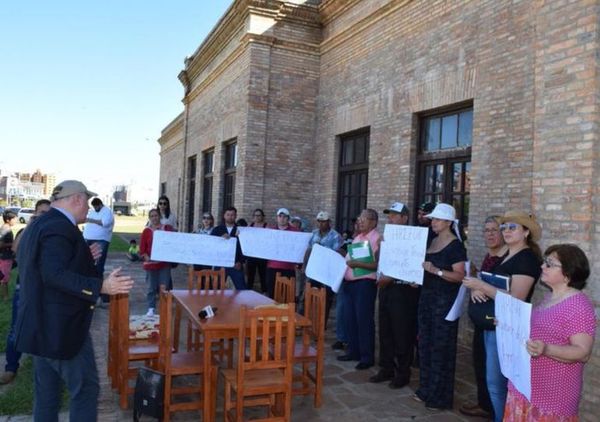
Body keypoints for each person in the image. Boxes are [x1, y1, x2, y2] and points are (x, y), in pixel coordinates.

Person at [14, 180, 134, 421]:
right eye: (87, 203)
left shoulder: (41, 224)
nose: (88, 209)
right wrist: (102, 286)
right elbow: (53, 274)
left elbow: (42, 265)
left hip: (39, 325)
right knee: (86, 390)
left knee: (47, 396)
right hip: (61, 329)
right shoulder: (60, 227)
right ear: (76, 199)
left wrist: (81, 257)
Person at [463, 210, 542, 421]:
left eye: (512, 227)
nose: (506, 231)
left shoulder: (526, 259)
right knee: (495, 384)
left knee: (498, 386)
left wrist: (481, 286)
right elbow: (495, 284)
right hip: (495, 325)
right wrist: (479, 288)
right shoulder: (509, 254)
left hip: (507, 327)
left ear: (526, 232)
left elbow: (516, 298)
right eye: (504, 227)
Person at [504, 244, 596, 421]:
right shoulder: (549, 297)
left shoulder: (578, 305)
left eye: (549, 264)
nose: (542, 267)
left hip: (551, 398)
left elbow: (582, 352)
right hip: (527, 388)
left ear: (568, 272)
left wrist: (546, 349)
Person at [414, 203, 466, 410]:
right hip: (427, 299)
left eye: (437, 219)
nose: (433, 222)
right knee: (425, 345)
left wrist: (436, 271)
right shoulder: (433, 240)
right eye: (433, 219)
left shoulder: (455, 246)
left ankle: (440, 396)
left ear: (448, 223)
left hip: (444, 303)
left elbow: (460, 275)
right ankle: (426, 388)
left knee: (441, 348)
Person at [459, 216, 507, 418]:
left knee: (496, 374)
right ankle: (485, 404)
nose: (490, 234)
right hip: (483, 320)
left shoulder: (507, 258)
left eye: (494, 230)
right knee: (480, 362)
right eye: (486, 230)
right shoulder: (490, 256)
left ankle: (496, 411)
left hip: (498, 322)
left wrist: (481, 287)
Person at [370, 202, 420, 389]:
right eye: (389, 215)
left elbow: (411, 264)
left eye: (394, 215)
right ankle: (386, 367)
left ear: (405, 218)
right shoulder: (386, 237)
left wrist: (390, 277)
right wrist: (382, 247)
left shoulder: (414, 238)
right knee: (385, 330)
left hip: (403, 290)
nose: (390, 218)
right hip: (385, 289)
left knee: (402, 333)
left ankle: (403, 372)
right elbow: (380, 262)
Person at [0, 199, 51, 385]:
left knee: (46, 328)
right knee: (17, 328)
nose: (45, 216)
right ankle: (11, 367)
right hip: (25, 287)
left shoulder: (53, 232)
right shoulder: (26, 231)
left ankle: (43, 368)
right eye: (41, 213)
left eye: (49, 212)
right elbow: (15, 249)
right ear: (35, 213)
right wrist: (30, 225)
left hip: (47, 290)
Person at [337, 208, 381, 370]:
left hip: (364, 284)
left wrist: (357, 264)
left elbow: (377, 265)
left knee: (363, 321)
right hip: (349, 283)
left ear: (374, 222)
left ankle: (366, 356)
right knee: (350, 319)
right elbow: (350, 259)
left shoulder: (377, 239)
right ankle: (353, 351)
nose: (360, 221)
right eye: (359, 218)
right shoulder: (358, 237)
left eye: (364, 219)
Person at [304, 211, 343, 326]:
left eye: (324, 221)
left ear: (329, 222)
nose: (321, 224)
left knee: (325, 299)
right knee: (310, 296)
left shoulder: (336, 236)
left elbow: (337, 254)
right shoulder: (314, 233)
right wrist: (304, 265)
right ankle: (309, 322)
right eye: (319, 221)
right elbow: (308, 249)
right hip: (314, 270)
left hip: (328, 273)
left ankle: (321, 325)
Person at [140, 208, 174, 316]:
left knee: (164, 286)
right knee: (151, 287)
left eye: (156, 215)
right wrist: (146, 256)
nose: (154, 218)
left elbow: (173, 242)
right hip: (151, 264)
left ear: (160, 216)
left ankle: (164, 307)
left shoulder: (167, 229)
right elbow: (142, 249)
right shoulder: (146, 231)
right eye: (152, 216)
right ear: (149, 218)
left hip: (164, 263)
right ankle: (151, 308)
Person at [83, 197, 115, 305]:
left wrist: (91, 220)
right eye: (94, 207)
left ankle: (101, 294)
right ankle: (89, 291)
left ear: (100, 204)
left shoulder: (107, 211)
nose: (95, 208)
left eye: (97, 206)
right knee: (86, 265)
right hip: (88, 238)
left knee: (98, 267)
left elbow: (105, 223)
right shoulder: (92, 211)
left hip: (101, 240)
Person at [265, 208, 300, 298]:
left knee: (288, 295)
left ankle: (287, 312)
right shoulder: (270, 231)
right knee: (272, 294)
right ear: (277, 218)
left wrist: (299, 262)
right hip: (272, 267)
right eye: (280, 216)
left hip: (288, 267)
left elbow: (299, 247)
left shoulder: (295, 231)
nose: (282, 218)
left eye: (285, 217)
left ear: (288, 218)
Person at [211, 206, 247, 290]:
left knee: (242, 288)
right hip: (220, 263)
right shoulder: (217, 230)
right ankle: (217, 303)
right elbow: (211, 246)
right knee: (217, 289)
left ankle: (242, 303)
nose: (230, 217)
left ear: (235, 216)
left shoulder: (241, 230)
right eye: (228, 215)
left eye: (232, 215)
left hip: (235, 264)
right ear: (224, 216)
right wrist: (219, 238)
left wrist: (241, 262)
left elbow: (244, 247)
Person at [246, 208, 268, 292]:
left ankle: (264, 292)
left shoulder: (267, 226)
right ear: (253, 217)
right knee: (250, 275)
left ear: (262, 217)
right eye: (255, 215)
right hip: (251, 255)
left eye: (259, 215)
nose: (257, 217)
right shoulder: (250, 226)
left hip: (262, 255)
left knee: (263, 275)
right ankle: (249, 292)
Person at [0, 210, 18, 300]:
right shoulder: (5, 229)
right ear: (8, 220)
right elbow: (1, 244)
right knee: (5, 278)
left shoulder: (6, 227)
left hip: (7, 256)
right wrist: (13, 243)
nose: (16, 221)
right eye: (14, 219)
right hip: (5, 257)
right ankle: (5, 297)